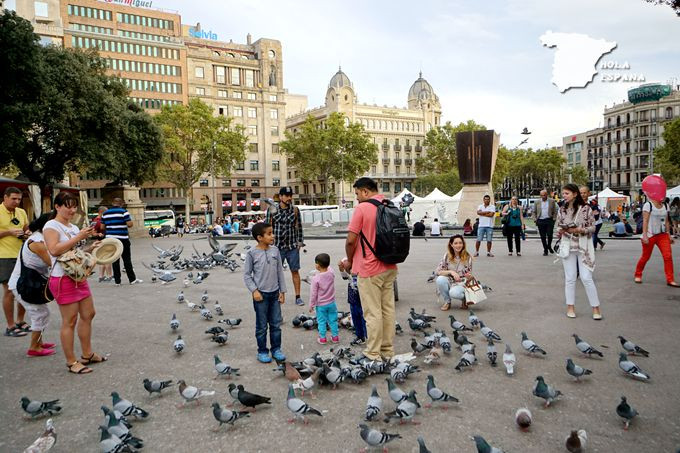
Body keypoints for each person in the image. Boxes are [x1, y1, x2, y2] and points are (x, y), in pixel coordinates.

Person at [44, 192, 106, 374]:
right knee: (69, 321)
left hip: (78, 277)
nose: (72, 210)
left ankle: (87, 354)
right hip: (62, 278)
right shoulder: (51, 226)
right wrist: (79, 237)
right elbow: (54, 250)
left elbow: (71, 252)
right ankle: (72, 362)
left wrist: (89, 247)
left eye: (74, 206)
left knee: (89, 314)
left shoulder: (71, 227)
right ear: (57, 207)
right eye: (68, 206)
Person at [340, 177, 398, 363]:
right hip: (389, 265)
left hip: (369, 268)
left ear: (365, 191)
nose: (357, 198)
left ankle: (373, 353)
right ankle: (387, 350)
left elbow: (351, 240)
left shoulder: (362, 208)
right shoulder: (389, 204)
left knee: (372, 313)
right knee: (387, 310)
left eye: (357, 194)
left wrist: (349, 261)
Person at [8, 213, 55, 356]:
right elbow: (53, 262)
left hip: (29, 282)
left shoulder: (41, 238)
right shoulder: (37, 242)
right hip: (22, 284)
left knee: (43, 312)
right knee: (39, 313)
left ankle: (39, 342)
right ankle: (34, 347)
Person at [556, 184, 602, 320]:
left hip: (583, 247)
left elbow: (593, 227)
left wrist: (580, 230)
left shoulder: (586, 209)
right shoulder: (562, 209)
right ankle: (570, 306)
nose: (564, 196)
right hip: (567, 246)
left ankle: (596, 307)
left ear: (575, 194)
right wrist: (561, 231)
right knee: (570, 278)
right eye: (563, 193)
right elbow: (557, 226)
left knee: (586, 278)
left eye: (566, 193)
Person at [243, 222, 286, 363]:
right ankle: (262, 351)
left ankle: (276, 349)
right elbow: (247, 275)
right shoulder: (251, 253)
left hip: (275, 294)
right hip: (260, 295)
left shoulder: (275, 251)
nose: (273, 236)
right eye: (269, 233)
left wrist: (282, 291)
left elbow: (280, 271)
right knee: (261, 326)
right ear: (259, 237)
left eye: (272, 233)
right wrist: (254, 290)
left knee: (276, 324)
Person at [266, 187, 305, 306]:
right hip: (277, 247)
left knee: (295, 271)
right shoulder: (272, 209)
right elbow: (267, 228)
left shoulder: (295, 210)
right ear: (281, 197)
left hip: (292, 246)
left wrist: (299, 243)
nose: (289, 198)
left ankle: (298, 297)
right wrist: (268, 245)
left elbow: (299, 227)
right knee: (275, 273)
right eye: (287, 195)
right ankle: (277, 297)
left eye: (290, 195)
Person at [0, 187, 30, 337]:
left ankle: (20, 321)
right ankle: (10, 326)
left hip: (21, 255)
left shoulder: (22, 212)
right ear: (5, 197)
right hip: (4, 256)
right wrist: (9, 232)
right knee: (10, 291)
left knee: (23, 289)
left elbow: (26, 228)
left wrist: (27, 233)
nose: (17, 202)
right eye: (13, 198)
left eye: (19, 199)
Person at [634, 197, 678, 286]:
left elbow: (666, 221)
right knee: (645, 257)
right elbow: (645, 221)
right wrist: (645, 235)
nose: (663, 197)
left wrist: (669, 235)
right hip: (650, 234)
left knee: (668, 256)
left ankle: (670, 279)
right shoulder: (648, 205)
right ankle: (638, 274)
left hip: (662, 235)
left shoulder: (665, 205)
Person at [101, 198, 142, 286]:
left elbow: (102, 227)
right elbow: (129, 224)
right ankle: (132, 279)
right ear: (121, 204)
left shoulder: (105, 213)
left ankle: (117, 281)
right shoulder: (124, 212)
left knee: (115, 260)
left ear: (113, 203)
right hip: (122, 238)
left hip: (111, 239)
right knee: (127, 259)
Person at [435, 234, 472, 310]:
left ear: (463, 244)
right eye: (456, 243)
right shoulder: (447, 256)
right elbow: (438, 272)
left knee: (454, 293)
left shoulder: (468, 257)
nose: (458, 245)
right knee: (440, 279)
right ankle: (447, 302)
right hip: (450, 280)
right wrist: (451, 272)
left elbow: (469, 275)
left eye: (460, 243)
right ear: (451, 245)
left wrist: (469, 277)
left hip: (462, 282)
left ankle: (464, 299)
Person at [309, 253, 339, 345]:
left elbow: (313, 294)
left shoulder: (315, 279)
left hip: (321, 305)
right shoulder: (331, 273)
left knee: (321, 321)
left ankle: (322, 338)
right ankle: (335, 337)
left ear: (317, 265)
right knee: (333, 320)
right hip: (331, 302)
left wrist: (311, 305)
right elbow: (328, 268)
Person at [533, 189, 557, 256]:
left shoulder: (552, 201)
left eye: (544, 195)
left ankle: (549, 246)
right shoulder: (537, 202)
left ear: (547, 195)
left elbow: (555, 211)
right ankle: (545, 249)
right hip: (540, 220)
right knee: (543, 236)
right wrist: (535, 219)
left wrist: (554, 219)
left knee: (550, 234)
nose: (543, 196)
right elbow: (534, 211)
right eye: (541, 195)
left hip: (549, 220)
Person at [93, 206, 112, 283]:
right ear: (101, 212)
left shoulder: (95, 220)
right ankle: (110, 276)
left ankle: (101, 276)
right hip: (103, 241)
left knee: (102, 259)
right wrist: (98, 234)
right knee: (108, 259)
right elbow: (92, 232)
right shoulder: (99, 221)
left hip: (100, 241)